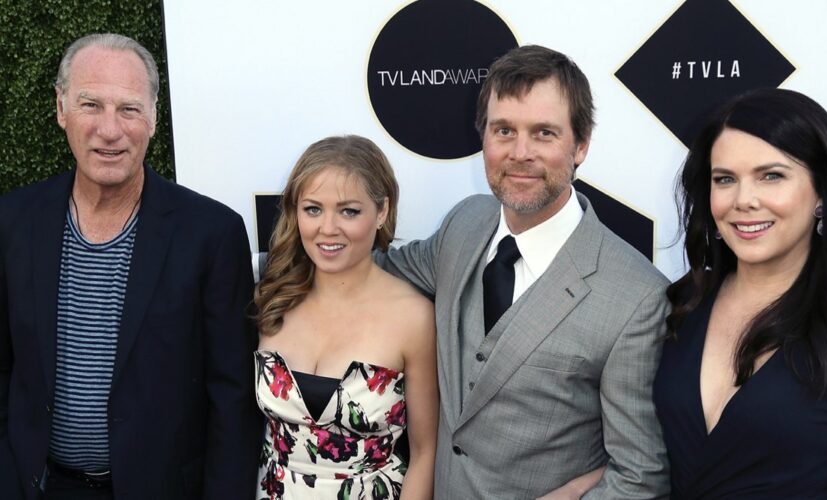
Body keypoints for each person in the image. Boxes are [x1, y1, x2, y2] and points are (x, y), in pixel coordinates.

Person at [379, 45, 670, 499]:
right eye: (504, 131)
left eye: (544, 133)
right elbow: (374, 272)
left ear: (581, 145)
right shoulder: (464, 224)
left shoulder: (637, 297)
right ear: (483, 138)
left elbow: (639, 476)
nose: (520, 153)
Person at [0, 33, 261, 499]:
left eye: (129, 108)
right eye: (90, 105)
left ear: (154, 118)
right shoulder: (13, 221)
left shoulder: (211, 234)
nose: (109, 129)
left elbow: (232, 396)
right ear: (61, 109)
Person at [654, 88, 827, 498]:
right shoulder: (677, 309)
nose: (744, 200)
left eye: (772, 176)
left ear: (822, 191)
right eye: (725, 179)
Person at [253, 135, 438, 499]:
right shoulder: (271, 298)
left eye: (349, 211)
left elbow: (425, 452)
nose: (328, 228)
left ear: (381, 211)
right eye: (313, 209)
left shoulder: (414, 317)